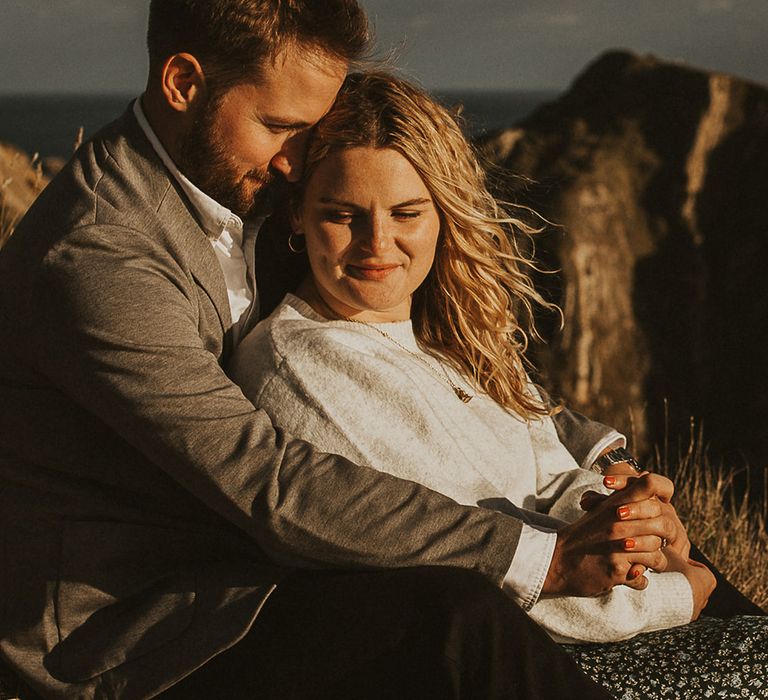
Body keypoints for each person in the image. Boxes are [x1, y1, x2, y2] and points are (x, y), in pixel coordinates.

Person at [0, 2, 696, 698]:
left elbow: (458, 365)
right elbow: (265, 477)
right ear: (183, 83)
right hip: (135, 636)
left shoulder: (253, 194)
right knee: (459, 619)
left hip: (249, 571)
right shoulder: (98, 258)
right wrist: (546, 557)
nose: (293, 159)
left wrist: (613, 477)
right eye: (279, 125)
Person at [229, 71, 768, 698]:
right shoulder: (306, 371)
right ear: (297, 212)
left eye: (407, 212)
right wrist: (680, 591)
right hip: (541, 658)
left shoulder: (445, 336)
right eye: (341, 215)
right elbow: (475, 581)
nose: (379, 244)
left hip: (605, 619)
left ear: (442, 214)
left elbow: (549, 473)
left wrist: (635, 524)